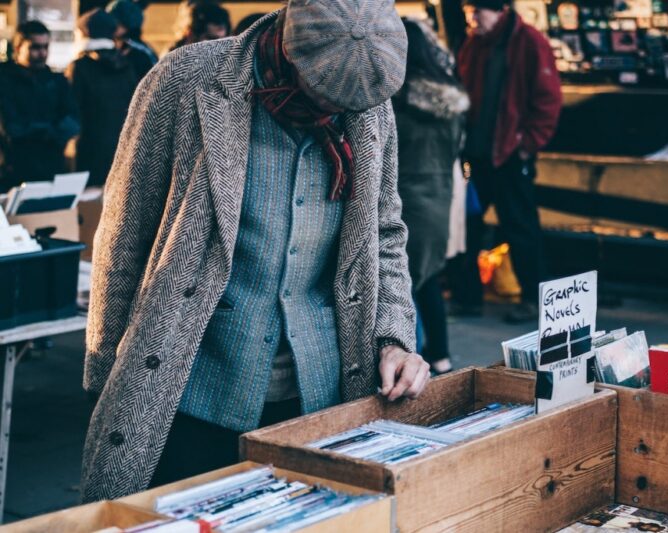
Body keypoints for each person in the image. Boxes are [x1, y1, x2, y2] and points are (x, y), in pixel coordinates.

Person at [80, 0, 429, 502]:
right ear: (288, 50)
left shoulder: (366, 101)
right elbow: (123, 231)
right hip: (188, 386)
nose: (334, 114)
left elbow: (386, 232)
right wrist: (104, 375)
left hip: (319, 394)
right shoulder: (186, 77)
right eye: (321, 96)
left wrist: (394, 338)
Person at [456, 0, 562, 322]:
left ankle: (534, 300)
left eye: (477, 12)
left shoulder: (529, 41)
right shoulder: (474, 44)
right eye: (468, 13)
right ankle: (468, 298)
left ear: (498, 10)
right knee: (466, 226)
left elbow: (548, 99)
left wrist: (526, 146)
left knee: (521, 228)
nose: (472, 19)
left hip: (510, 156)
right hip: (476, 157)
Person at [393, 19, 468, 375]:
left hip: (404, 199)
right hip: (440, 198)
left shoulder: (396, 100)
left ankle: (413, 359)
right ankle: (439, 355)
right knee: (427, 280)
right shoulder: (449, 102)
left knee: (400, 285)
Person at [0, 21, 79, 190]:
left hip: (51, 169)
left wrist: (38, 130)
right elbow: (11, 128)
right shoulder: (5, 81)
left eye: (45, 47)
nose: (42, 53)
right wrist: (50, 130)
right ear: (18, 48)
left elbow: (73, 122)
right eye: (35, 47)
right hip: (13, 171)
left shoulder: (57, 81)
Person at [66, 9, 140, 188]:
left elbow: (71, 110)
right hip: (123, 150)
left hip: (89, 150)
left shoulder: (79, 67)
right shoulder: (126, 67)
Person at [107, 0, 158, 79]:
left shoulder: (136, 53)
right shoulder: (139, 48)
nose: (109, 26)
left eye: (114, 22)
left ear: (126, 25)